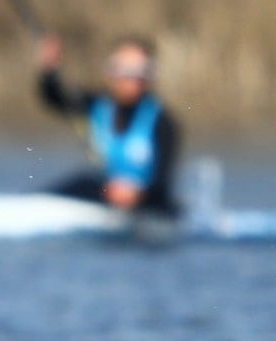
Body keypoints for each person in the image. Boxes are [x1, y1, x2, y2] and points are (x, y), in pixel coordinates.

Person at [37, 33, 181, 215]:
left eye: (138, 72)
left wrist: (138, 194)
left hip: (146, 204)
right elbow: (55, 98)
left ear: (149, 77)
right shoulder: (97, 107)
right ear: (111, 73)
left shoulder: (163, 123)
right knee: (81, 182)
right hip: (106, 196)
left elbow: (162, 182)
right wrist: (50, 69)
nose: (130, 79)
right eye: (123, 71)